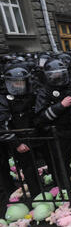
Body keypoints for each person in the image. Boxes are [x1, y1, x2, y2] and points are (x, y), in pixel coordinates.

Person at [34, 59, 71, 188]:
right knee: (61, 162)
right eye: (54, 74)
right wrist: (60, 106)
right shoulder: (44, 92)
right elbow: (40, 117)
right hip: (58, 132)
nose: (57, 77)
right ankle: (64, 187)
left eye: (60, 73)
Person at [0, 66, 41, 198]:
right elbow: (3, 123)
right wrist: (16, 143)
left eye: (21, 82)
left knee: (35, 166)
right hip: (18, 140)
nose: (19, 85)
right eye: (15, 82)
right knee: (27, 167)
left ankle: (40, 190)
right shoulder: (4, 99)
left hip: (33, 137)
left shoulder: (30, 95)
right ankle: (36, 194)